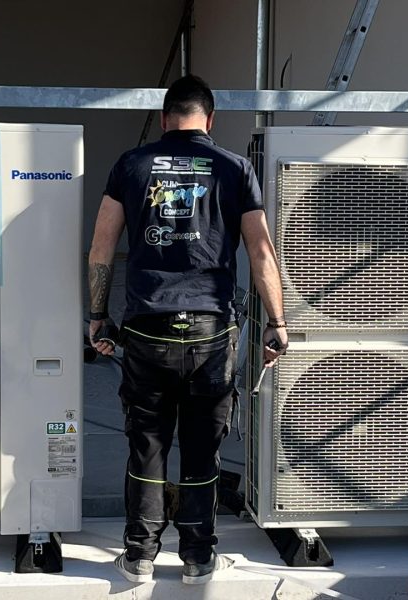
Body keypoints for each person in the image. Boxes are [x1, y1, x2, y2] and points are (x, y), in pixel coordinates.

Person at [88, 74, 288, 585]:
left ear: (163, 119)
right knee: (202, 446)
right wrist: (276, 323)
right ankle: (198, 557)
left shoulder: (132, 165)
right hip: (209, 332)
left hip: (148, 328)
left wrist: (97, 316)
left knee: (147, 442)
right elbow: (262, 251)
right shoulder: (233, 168)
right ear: (211, 120)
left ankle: (139, 555)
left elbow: (101, 249)